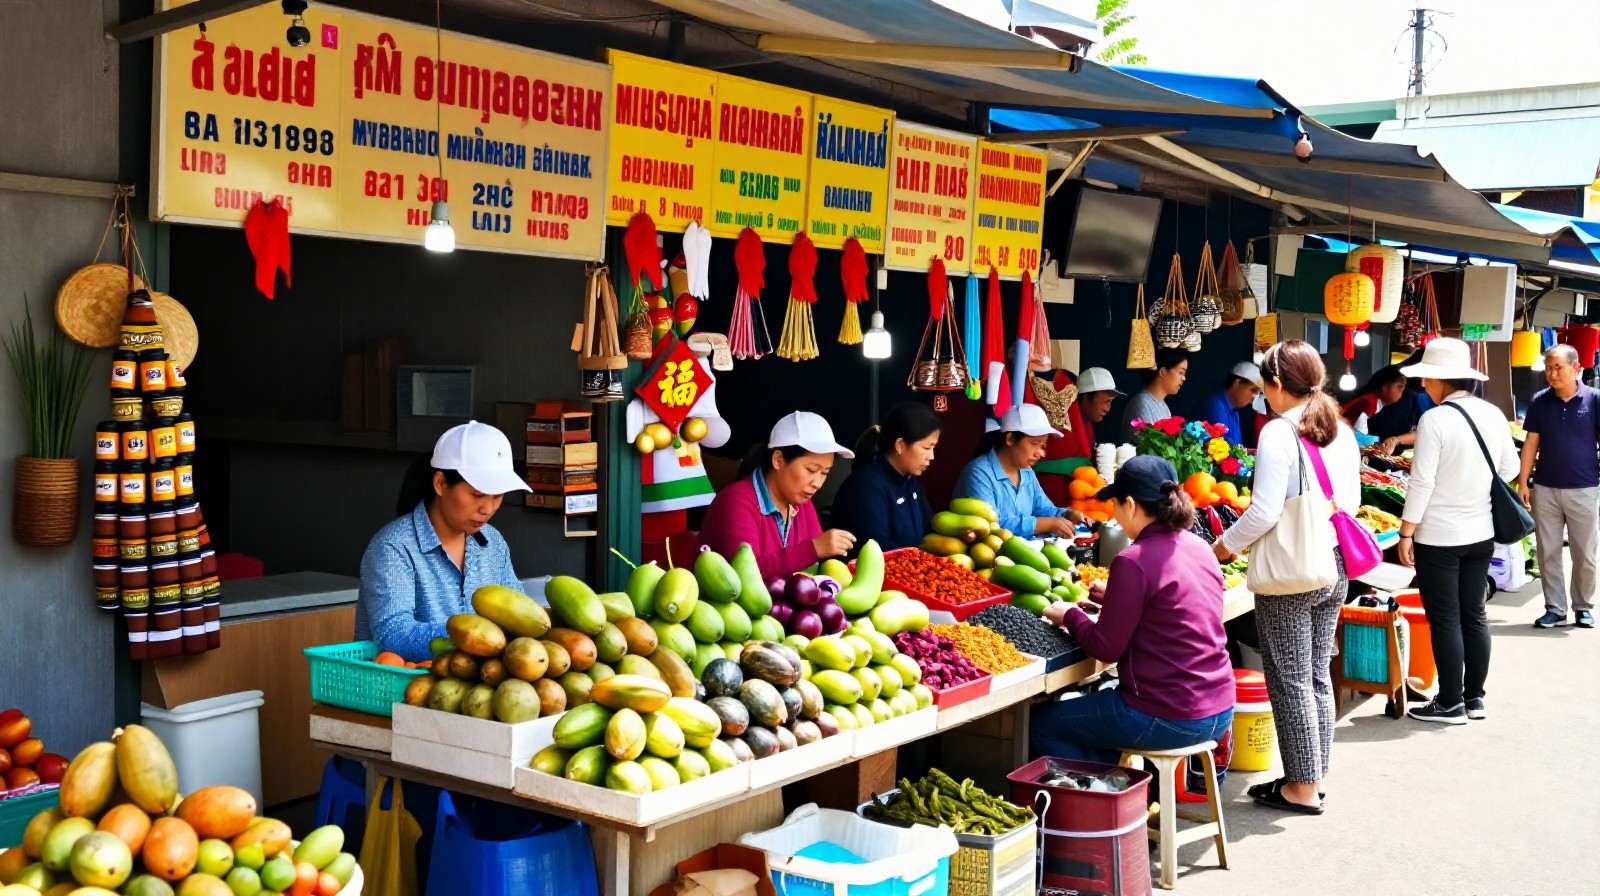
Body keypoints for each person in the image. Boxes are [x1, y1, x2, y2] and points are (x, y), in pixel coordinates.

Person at [1213, 341, 1359, 815]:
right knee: (1316, 674)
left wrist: (1222, 547)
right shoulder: (1341, 429)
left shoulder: (1279, 432)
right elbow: (1349, 506)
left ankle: (1299, 786)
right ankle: (1313, 776)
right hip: (1334, 565)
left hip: (1293, 572)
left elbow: (1263, 513)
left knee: (1290, 680)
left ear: (1276, 385)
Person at [1033, 455, 1233, 763]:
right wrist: (1112, 600)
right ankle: (1122, 792)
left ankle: (1107, 799)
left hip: (1166, 715)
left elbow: (1106, 648)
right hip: (1219, 708)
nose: (1113, 512)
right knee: (1093, 720)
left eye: (1114, 503)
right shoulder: (1199, 548)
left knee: (1043, 725)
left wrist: (1070, 616)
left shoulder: (1132, 560)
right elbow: (1173, 611)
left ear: (1130, 503)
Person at [1396, 338, 1520, 723]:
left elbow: (1422, 483)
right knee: (1474, 615)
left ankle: (1450, 702)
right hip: (1480, 533)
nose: (1423, 386)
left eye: (1426, 379)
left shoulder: (1435, 420)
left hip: (1440, 537)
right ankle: (1474, 699)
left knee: (1446, 617)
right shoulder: (1492, 413)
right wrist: (1474, 485)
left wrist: (1406, 532)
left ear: (1438, 379)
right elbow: (1510, 469)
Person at [356, 421, 530, 661]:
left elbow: (519, 612)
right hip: (401, 690)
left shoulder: (493, 543)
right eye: (477, 494)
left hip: (474, 690)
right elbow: (393, 635)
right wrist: (477, 635)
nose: (488, 508)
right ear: (440, 483)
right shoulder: (393, 547)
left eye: (498, 496)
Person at [697, 411, 856, 580]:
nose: (817, 483)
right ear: (778, 459)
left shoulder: (803, 505)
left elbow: (813, 567)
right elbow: (746, 577)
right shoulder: (735, 503)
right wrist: (813, 548)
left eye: (825, 473)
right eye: (811, 470)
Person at [1518, 344, 1599, 629]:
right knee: (1548, 551)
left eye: (1558, 368)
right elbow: (1531, 443)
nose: (1552, 374)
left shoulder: (1594, 400)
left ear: (1576, 368)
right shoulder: (1540, 401)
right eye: (1548, 368)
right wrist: (1524, 481)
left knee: (1584, 552)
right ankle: (1555, 608)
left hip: (1584, 487)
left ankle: (1583, 606)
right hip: (1546, 488)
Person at [954, 404, 1083, 535]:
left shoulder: (1026, 472)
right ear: (1010, 439)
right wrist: (1047, 524)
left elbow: (1044, 508)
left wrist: (1067, 514)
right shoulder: (978, 473)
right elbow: (990, 526)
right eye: (1034, 443)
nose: (1041, 454)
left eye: (1043, 446)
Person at [831, 402, 941, 553]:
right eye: (927, 448)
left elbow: (931, 528)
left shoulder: (911, 483)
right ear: (900, 445)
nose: (931, 456)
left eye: (933, 448)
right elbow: (876, 547)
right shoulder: (866, 485)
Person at [1034, 367, 1122, 506]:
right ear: (1086, 398)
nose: (1107, 409)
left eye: (1110, 403)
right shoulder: (1062, 422)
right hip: (1052, 501)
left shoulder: (1087, 423)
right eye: (1105, 402)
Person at [1372, 349, 1437, 451]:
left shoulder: (1417, 394)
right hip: (1372, 445)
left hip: (1392, 450)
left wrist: (1396, 440)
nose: (1424, 384)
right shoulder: (1392, 376)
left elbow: (1423, 431)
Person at [1122, 348, 1189, 441]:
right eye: (1181, 372)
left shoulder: (1164, 406)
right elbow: (1142, 446)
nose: (1183, 378)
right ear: (1163, 372)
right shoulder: (1141, 405)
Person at [1192, 362, 1263, 446]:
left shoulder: (1233, 407)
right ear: (1237, 383)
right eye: (1254, 390)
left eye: (1258, 392)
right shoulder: (1215, 406)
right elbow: (1225, 449)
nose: (1255, 396)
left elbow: (1237, 448)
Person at [1340, 365, 1407, 429]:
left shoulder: (1375, 403)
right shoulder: (1370, 402)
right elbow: (1356, 427)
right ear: (1385, 386)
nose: (1401, 391)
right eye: (1399, 387)